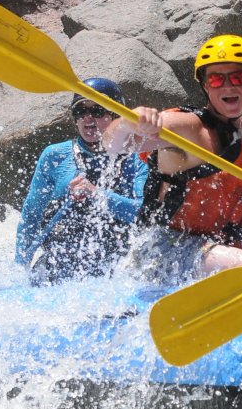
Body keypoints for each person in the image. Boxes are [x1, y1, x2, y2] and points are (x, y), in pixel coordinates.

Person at [102, 34, 242, 280]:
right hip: (164, 254)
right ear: (206, 86)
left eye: (238, 77)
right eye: (217, 79)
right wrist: (126, 122)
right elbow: (112, 145)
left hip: (219, 258)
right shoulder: (188, 128)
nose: (228, 86)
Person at [15, 78, 149, 285]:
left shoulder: (136, 159)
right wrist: (20, 266)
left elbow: (144, 214)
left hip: (115, 267)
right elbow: (31, 214)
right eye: (80, 112)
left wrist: (98, 195)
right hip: (58, 260)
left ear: (116, 116)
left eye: (97, 111)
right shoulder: (55, 155)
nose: (88, 119)